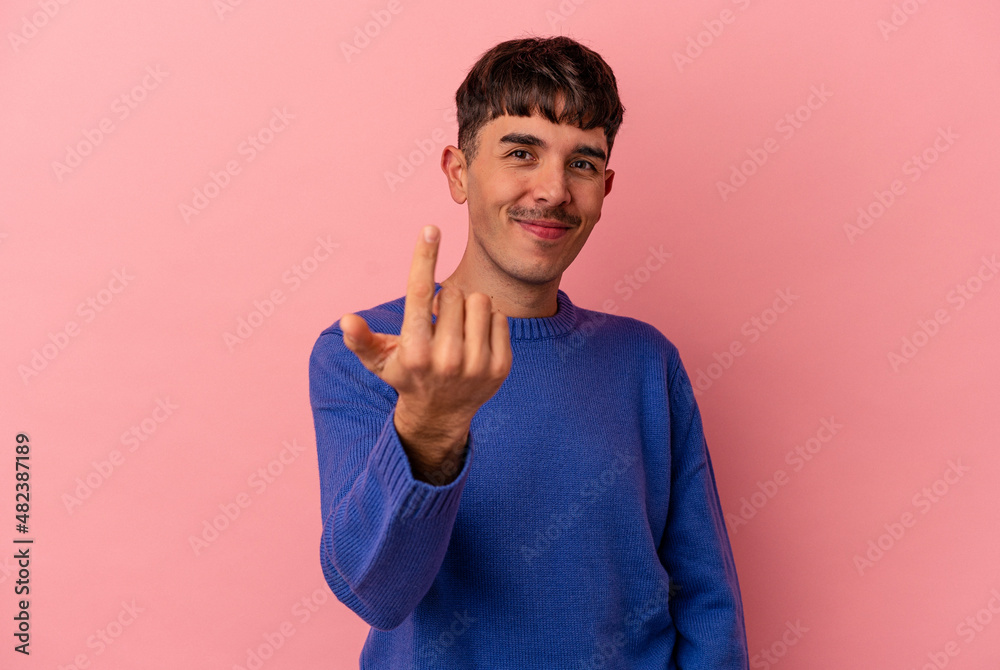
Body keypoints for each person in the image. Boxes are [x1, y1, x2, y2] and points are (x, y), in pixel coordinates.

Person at [309, 35, 750, 668]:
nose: (553, 190)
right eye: (521, 153)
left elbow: (707, 600)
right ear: (458, 172)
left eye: (583, 164)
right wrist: (428, 431)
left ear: (605, 187)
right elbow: (375, 592)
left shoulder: (646, 361)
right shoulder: (370, 354)